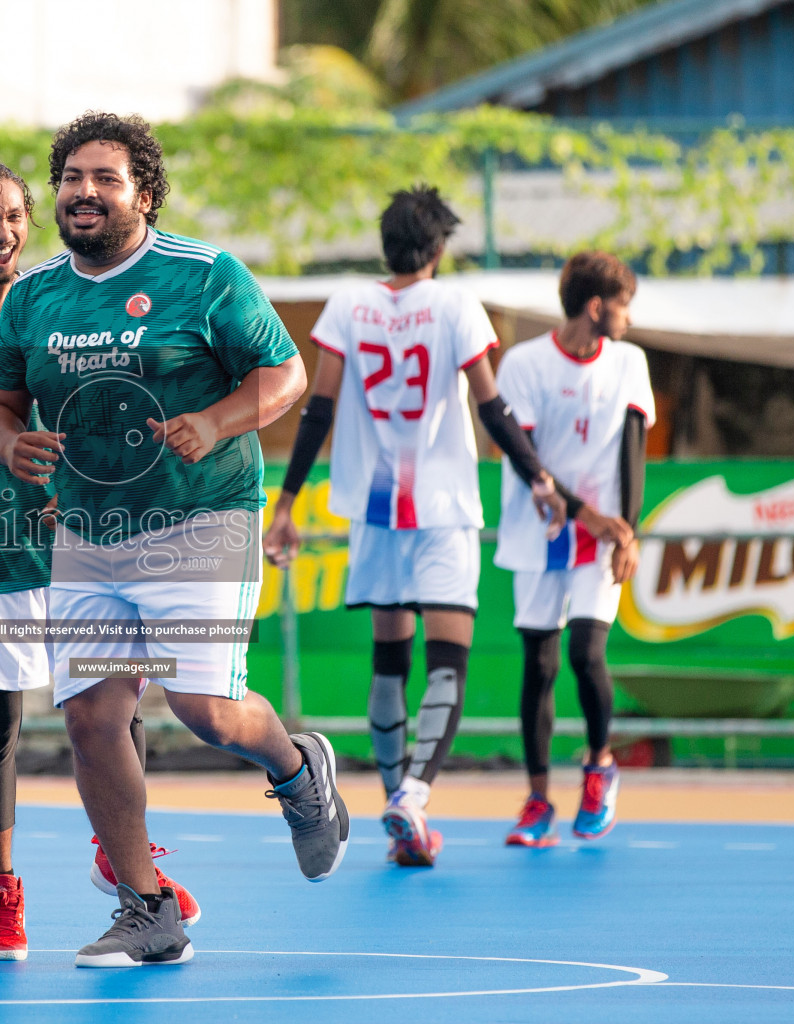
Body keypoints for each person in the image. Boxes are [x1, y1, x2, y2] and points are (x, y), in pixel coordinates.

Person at [0, 112, 347, 969]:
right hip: (87, 528)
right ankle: (148, 909)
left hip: (202, 517)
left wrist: (217, 422)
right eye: (70, 176)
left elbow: (285, 373)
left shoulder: (205, 274)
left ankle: (297, 767)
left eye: (105, 178)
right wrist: (10, 443)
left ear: (143, 194)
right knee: (90, 716)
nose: (83, 191)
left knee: (202, 710)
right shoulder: (33, 297)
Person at [0, 159, 196, 960]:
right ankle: (2, 892)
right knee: (4, 716)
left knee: (114, 706)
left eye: (16, 217)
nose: (4, 233)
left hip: (78, 538)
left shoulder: (56, 303)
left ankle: (125, 863)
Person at [264, 187, 631, 868]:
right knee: (448, 659)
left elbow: (318, 407)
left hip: (375, 514)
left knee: (389, 660)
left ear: (386, 243)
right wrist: (541, 482)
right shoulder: (457, 305)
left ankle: (394, 798)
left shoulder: (347, 304)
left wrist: (286, 503)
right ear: (437, 248)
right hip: (442, 508)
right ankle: (415, 797)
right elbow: (493, 409)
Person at [496, 251, 649, 847]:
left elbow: (631, 449)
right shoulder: (526, 365)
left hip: (603, 537)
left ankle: (599, 766)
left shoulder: (630, 362)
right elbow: (525, 458)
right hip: (543, 533)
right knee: (540, 663)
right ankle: (538, 801)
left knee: (587, 652)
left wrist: (626, 529)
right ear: (596, 306)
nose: (629, 318)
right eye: (624, 305)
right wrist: (589, 516)